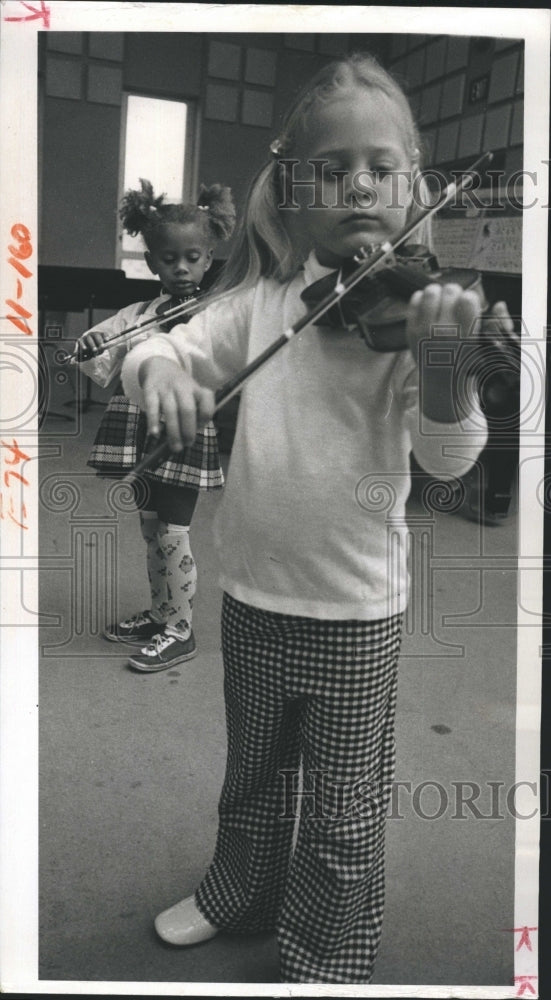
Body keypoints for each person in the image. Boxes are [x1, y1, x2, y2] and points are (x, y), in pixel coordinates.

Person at [122, 54, 512, 983]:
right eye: (332, 171)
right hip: (253, 596)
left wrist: (445, 367)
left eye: (382, 169)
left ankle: (328, 951)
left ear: (412, 187)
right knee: (252, 776)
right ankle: (240, 894)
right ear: (290, 197)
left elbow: (447, 461)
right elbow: (160, 351)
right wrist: (164, 371)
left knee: (344, 805)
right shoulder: (257, 307)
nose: (359, 187)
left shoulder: (417, 318)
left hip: (355, 613)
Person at [78, 180, 235, 671]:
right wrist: (90, 344)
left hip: (181, 432)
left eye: (192, 258)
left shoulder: (211, 316)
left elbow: (221, 363)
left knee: (173, 530)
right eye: (169, 259)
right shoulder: (139, 313)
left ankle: (181, 629)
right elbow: (101, 347)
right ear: (152, 263)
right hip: (137, 430)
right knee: (151, 528)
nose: (181, 268)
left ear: (208, 260)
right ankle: (161, 612)